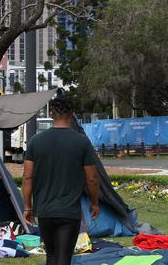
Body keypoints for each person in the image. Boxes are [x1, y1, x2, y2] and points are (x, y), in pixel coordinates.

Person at [22, 96, 100, 265]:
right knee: (64, 258)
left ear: (51, 114)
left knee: (51, 256)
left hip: (44, 211)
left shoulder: (36, 141)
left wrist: (28, 207)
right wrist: (94, 203)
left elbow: (27, 177)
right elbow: (92, 179)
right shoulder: (82, 142)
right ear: (72, 115)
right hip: (69, 212)